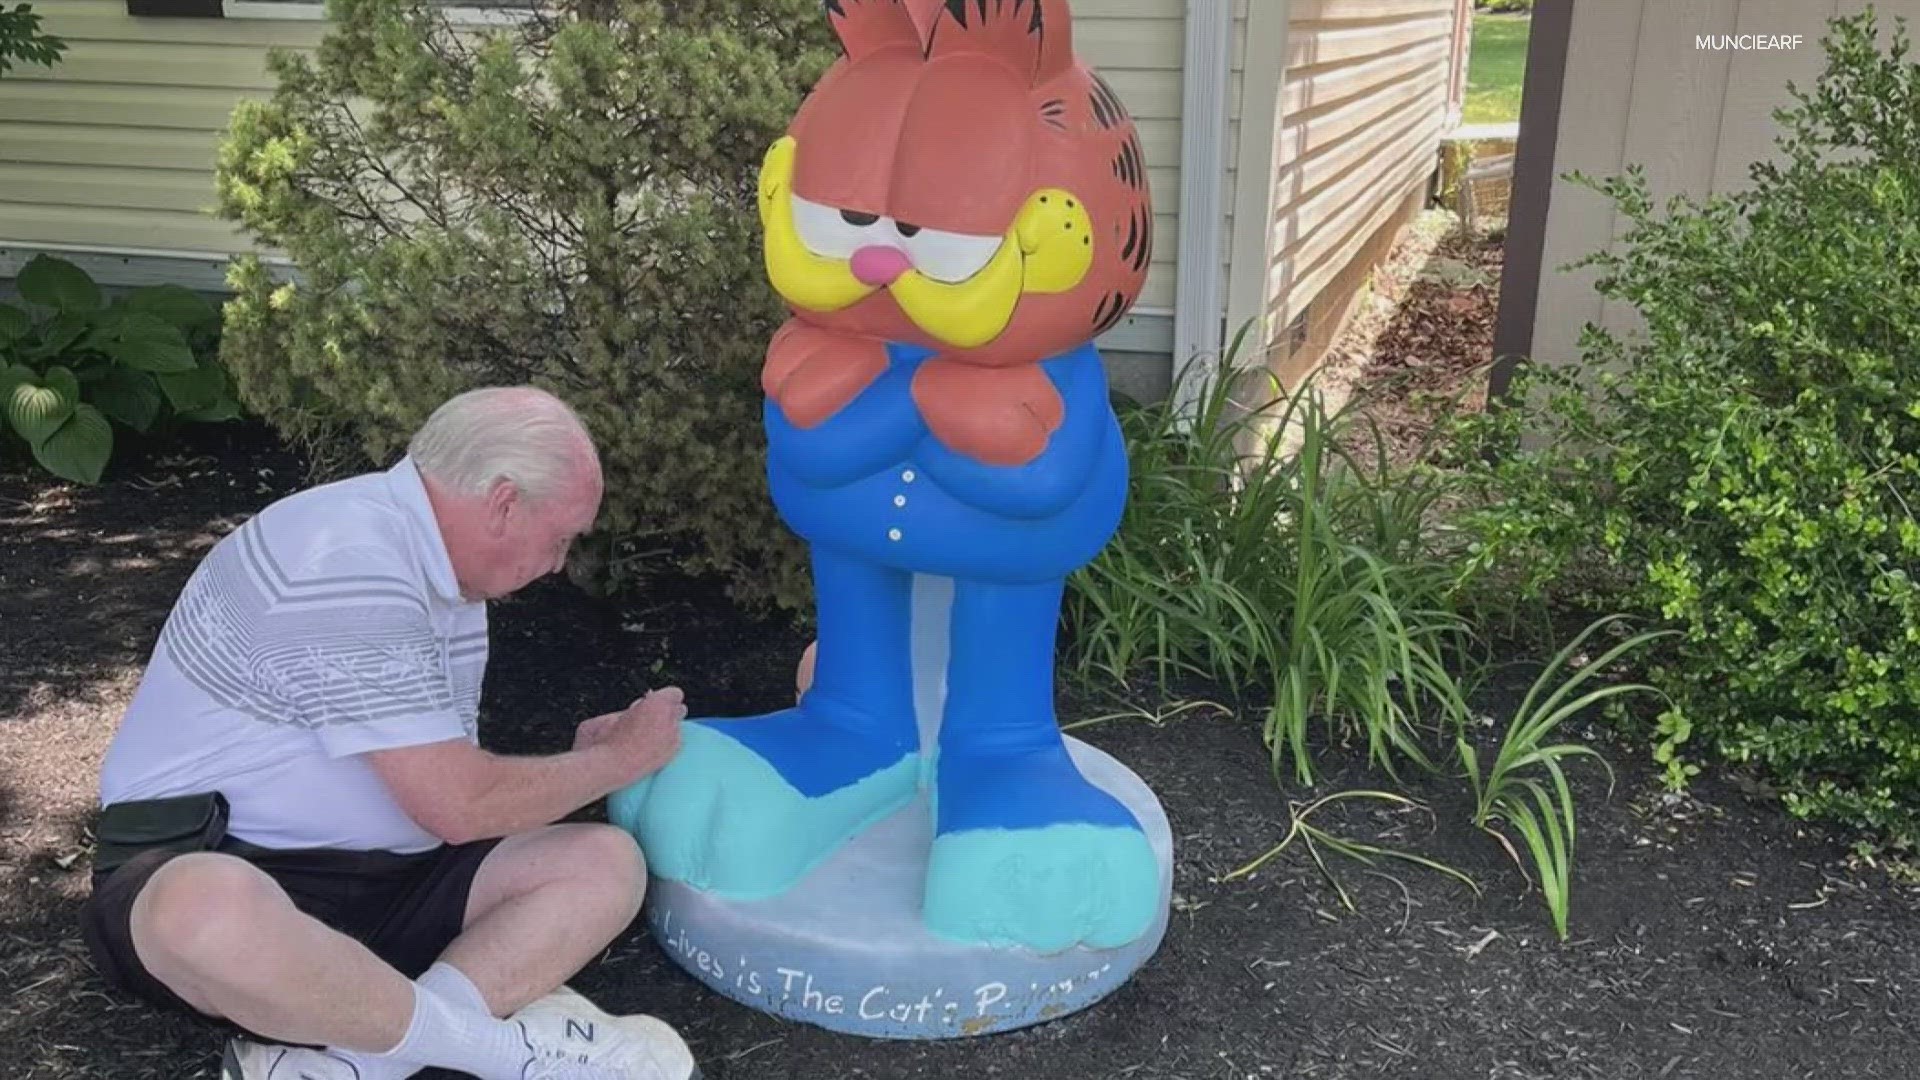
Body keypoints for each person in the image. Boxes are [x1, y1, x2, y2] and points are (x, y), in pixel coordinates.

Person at [78, 386, 700, 1080]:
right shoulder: (347, 560)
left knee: (603, 862)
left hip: (390, 877)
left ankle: (352, 1063)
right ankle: (503, 1056)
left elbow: (443, 789)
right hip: (232, 869)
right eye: (560, 539)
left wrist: (581, 767)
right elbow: (458, 804)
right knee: (204, 910)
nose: (557, 563)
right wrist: (618, 760)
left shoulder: (439, 570)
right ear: (502, 503)